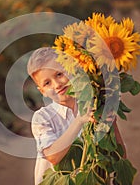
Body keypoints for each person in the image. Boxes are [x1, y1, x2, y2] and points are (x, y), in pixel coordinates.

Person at [27, 47, 125, 185]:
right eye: (47, 83)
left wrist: (111, 122)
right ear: (42, 91)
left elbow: (119, 154)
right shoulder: (42, 118)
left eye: (59, 74)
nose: (57, 84)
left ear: (71, 70)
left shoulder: (93, 105)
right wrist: (79, 121)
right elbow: (52, 156)